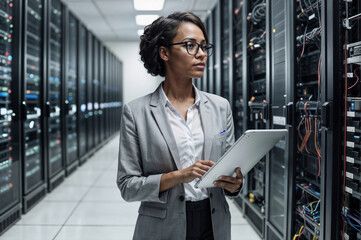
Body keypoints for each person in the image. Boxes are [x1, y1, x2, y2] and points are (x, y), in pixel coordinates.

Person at [117, 11, 243, 240]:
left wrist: (235, 184)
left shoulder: (220, 106)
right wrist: (179, 176)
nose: (202, 54)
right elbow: (128, 186)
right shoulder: (136, 112)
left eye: (204, 46)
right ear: (164, 52)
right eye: (190, 46)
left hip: (213, 223)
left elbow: (230, 167)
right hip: (163, 225)